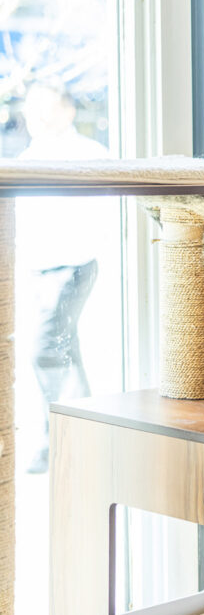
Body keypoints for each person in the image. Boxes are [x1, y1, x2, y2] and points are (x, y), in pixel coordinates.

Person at [18, 81, 106, 473]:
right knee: (63, 348)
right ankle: (73, 435)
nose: (34, 114)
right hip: (41, 270)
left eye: (44, 107)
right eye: (30, 107)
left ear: (68, 111)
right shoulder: (31, 154)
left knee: (47, 348)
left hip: (70, 267)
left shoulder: (86, 155)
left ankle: (64, 437)